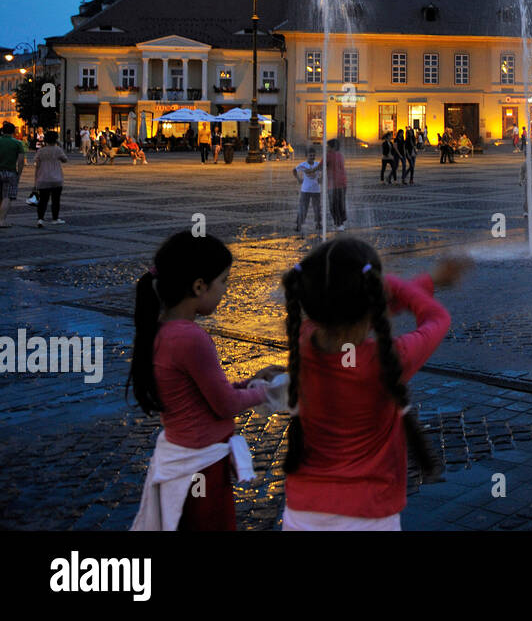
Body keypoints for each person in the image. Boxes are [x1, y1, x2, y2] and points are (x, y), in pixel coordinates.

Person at [281, 238, 459, 530]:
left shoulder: (303, 340)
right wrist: (395, 283)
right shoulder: (389, 359)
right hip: (369, 515)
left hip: (302, 514)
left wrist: (428, 280)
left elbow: (351, 315)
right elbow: (437, 318)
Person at [128, 231, 282, 530]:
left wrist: (248, 382)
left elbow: (203, 396)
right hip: (203, 467)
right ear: (199, 286)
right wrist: (269, 391)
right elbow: (224, 404)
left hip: (181, 458)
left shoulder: (161, 330)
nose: (226, 289)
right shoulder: (191, 337)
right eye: (224, 280)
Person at [32, 130, 67, 227]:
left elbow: (37, 165)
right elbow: (65, 160)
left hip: (43, 179)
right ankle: (55, 218)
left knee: (43, 200)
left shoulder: (41, 151)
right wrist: (60, 146)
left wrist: (35, 181)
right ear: (56, 139)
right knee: (56, 200)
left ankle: (40, 219)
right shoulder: (57, 150)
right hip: (56, 179)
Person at [0, 122, 27, 228]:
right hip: (10, 172)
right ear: (13, 132)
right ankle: (1, 221)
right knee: (7, 197)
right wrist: (19, 173)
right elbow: (21, 161)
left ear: (2, 131)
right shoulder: (17, 143)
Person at [294, 148, 323, 233]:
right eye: (310, 155)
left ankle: (318, 223)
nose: (312, 157)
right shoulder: (303, 165)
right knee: (303, 208)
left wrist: (321, 178)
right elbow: (294, 170)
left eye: (313, 155)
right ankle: (299, 224)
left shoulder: (317, 164)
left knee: (317, 208)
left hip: (316, 189)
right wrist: (299, 179)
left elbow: (324, 170)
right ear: (306, 156)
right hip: (305, 189)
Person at [326, 138, 348, 231]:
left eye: (328, 146)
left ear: (333, 147)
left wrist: (310, 171)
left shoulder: (329, 155)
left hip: (333, 185)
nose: (327, 148)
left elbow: (321, 166)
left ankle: (338, 223)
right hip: (343, 183)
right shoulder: (340, 155)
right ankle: (341, 221)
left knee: (333, 205)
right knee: (340, 203)